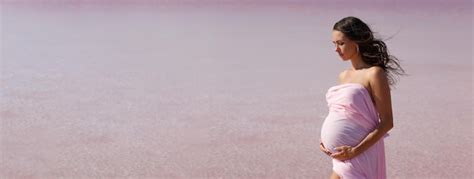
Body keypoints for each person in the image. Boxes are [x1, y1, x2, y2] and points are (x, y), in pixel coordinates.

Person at [319, 16, 405, 179]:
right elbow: (341, 113)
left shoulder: (374, 74)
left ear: (356, 42)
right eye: (334, 44)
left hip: (360, 154)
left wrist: (354, 151)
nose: (336, 49)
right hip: (341, 156)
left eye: (341, 43)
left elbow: (387, 122)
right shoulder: (343, 76)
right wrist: (325, 141)